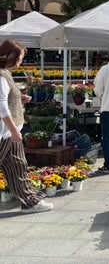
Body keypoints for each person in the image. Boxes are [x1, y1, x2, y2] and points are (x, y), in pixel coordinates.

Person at [0, 40, 54, 212]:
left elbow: (6, 100)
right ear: (11, 56)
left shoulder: (5, 74)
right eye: (20, 58)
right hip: (6, 132)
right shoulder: (1, 76)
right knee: (17, 166)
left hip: (9, 132)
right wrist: (14, 130)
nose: (21, 62)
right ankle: (30, 202)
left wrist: (19, 99)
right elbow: (1, 106)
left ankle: (30, 202)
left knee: (18, 166)